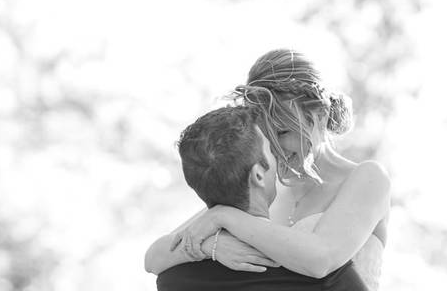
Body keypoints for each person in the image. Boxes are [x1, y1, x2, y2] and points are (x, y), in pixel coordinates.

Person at [146, 49, 389, 290]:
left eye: (283, 132)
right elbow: (155, 258)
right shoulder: (263, 186)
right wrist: (213, 246)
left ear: (321, 114)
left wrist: (224, 217)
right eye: (266, 134)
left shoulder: (367, 178)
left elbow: (321, 260)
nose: (275, 148)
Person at [152, 105, 368, 290]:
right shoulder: (320, 273)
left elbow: (152, 260)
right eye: (271, 151)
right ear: (258, 175)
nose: (280, 157)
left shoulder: (171, 278)